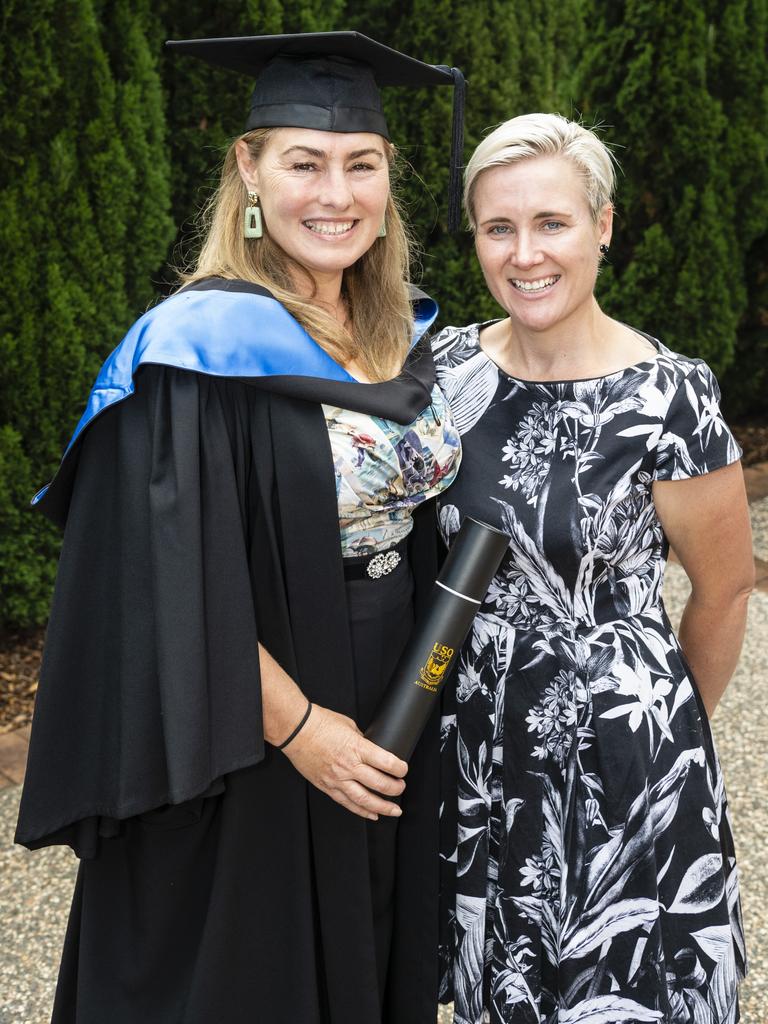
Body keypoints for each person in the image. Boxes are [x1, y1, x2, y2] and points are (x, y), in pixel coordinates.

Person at [15, 32, 464, 1024]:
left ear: (390, 179)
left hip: (397, 688)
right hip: (250, 726)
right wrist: (303, 731)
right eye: (303, 162)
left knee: (376, 933)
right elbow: (167, 583)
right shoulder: (191, 351)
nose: (335, 193)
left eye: (361, 164)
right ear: (249, 170)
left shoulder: (396, 334)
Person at [432, 113, 751, 1023]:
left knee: (620, 992)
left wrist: (651, 734)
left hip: (619, 755)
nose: (525, 254)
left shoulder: (669, 398)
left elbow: (723, 593)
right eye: (500, 228)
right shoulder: (446, 367)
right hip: (473, 745)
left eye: (553, 223)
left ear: (603, 226)